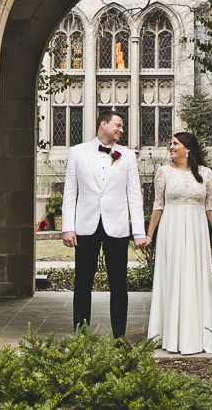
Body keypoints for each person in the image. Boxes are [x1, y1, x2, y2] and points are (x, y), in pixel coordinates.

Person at [61, 109, 149, 339]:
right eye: (118, 125)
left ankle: (119, 338)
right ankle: (81, 336)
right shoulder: (77, 152)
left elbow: (134, 195)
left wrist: (138, 231)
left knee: (119, 285)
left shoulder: (127, 155)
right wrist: (68, 227)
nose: (121, 130)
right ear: (103, 124)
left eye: (122, 127)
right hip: (85, 227)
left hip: (117, 227)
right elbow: (70, 193)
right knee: (82, 284)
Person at [145, 131, 212, 354]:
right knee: (173, 276)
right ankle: (169, 333)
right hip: (170, 229)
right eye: (170, 143)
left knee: (195, 276)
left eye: (175, 143)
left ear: (188, 148)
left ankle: (196, 332)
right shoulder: (163, 172)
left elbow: (211, 207)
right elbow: (158, 205)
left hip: (196, 230)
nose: (171, 147)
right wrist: (149, 235)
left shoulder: (206, 173)